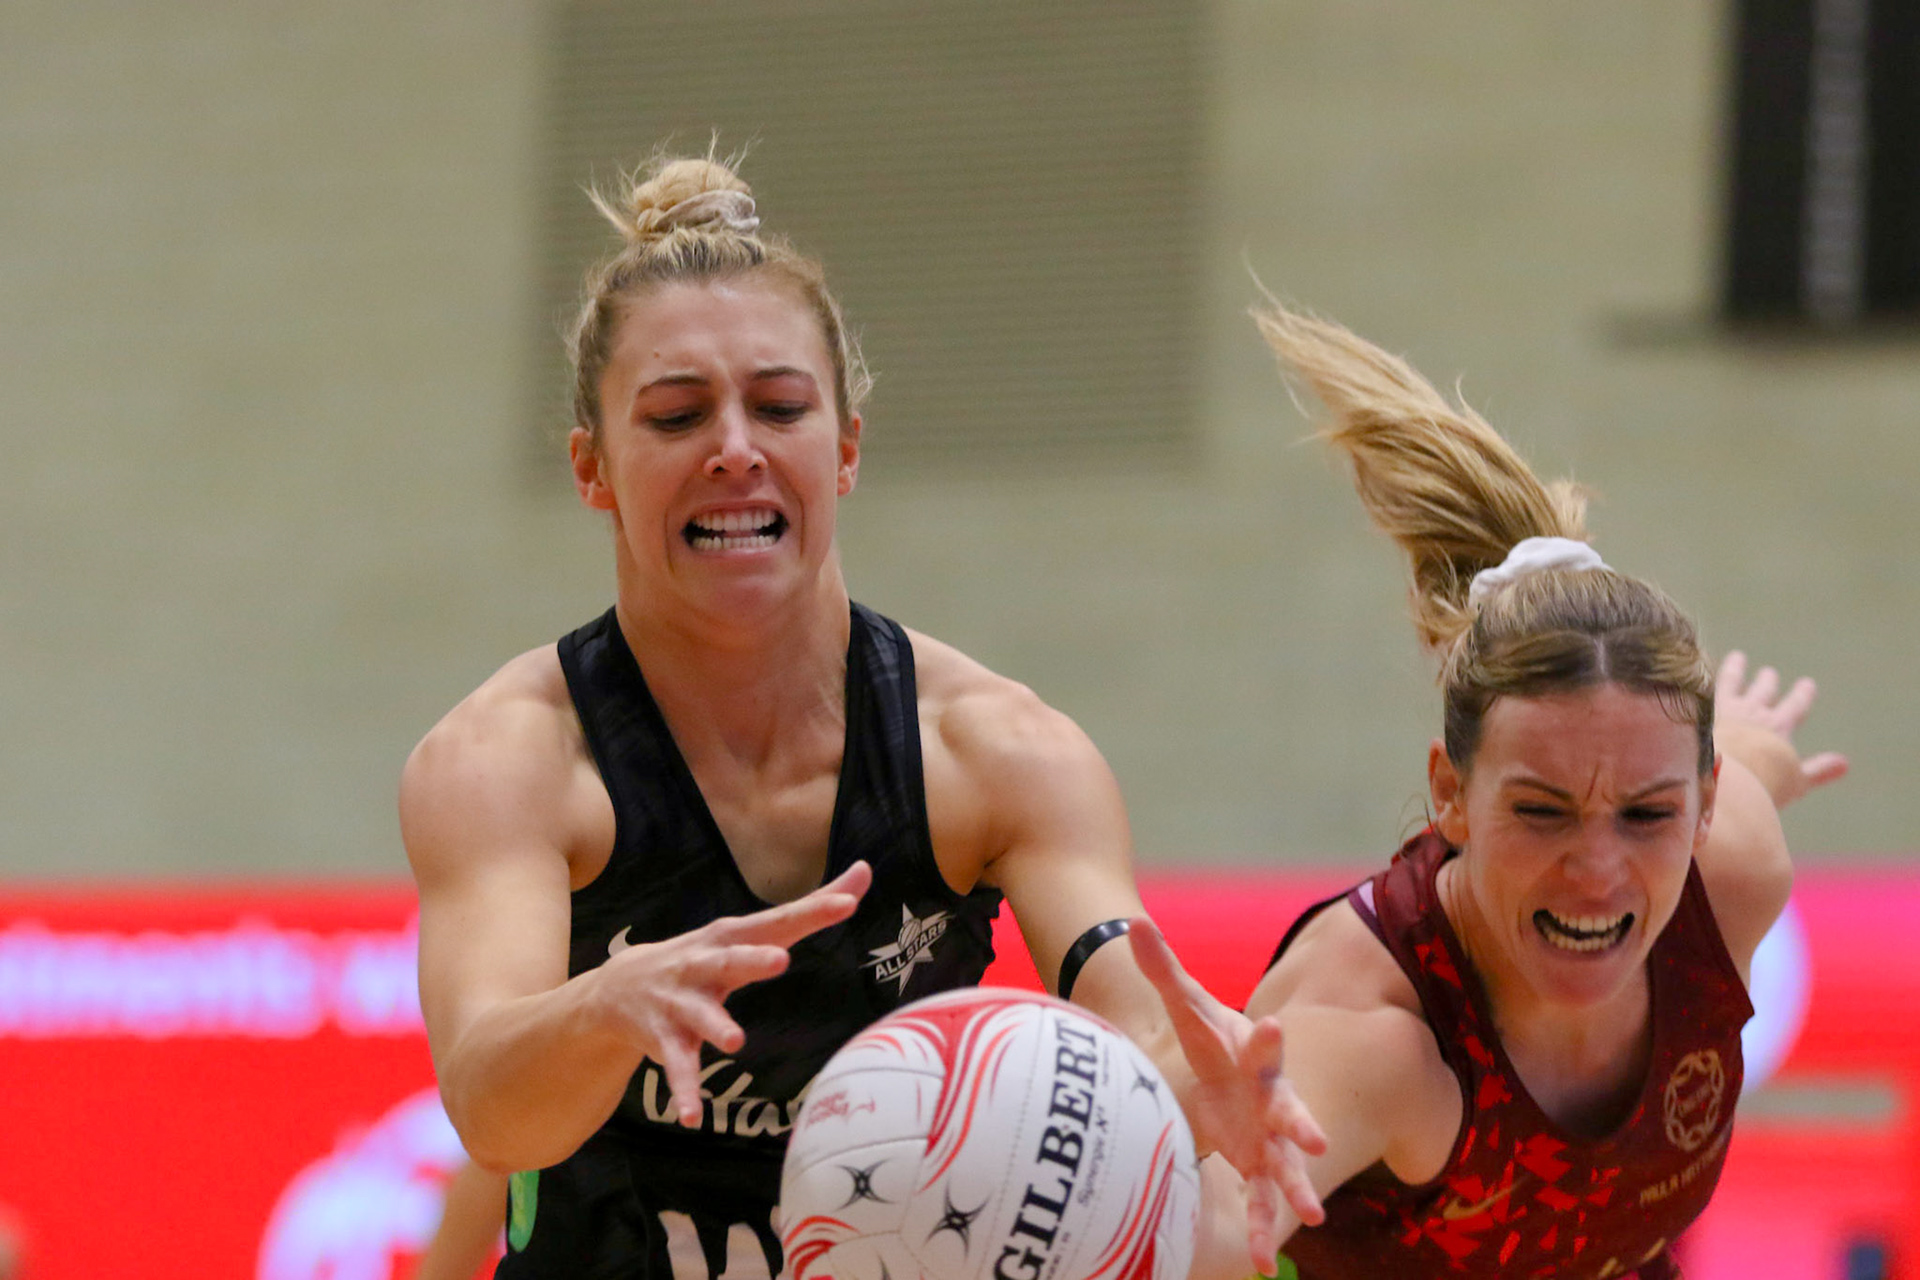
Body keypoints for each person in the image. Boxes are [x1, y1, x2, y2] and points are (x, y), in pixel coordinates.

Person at [399, 152, 1321, 1280]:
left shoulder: (996, 748)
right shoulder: (509, 758)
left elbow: (1136, 1011)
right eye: (678, 414)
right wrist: (608, 1002)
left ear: (843, 449)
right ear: (593, 469)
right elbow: (493, 1110)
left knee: (1214, 1231)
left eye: (779, 406)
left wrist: (1195, 1074)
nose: (736, 447)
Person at [1232, 301, 1847, 1280]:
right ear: (1450, 794)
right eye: (1541, 808)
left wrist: (1758, 741)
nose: (1598, 869)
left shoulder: (1730, 867)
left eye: (1647, 811)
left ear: (1704, 799)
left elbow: (1746, 763)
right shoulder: (1368, 1033)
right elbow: (1169, 1230)